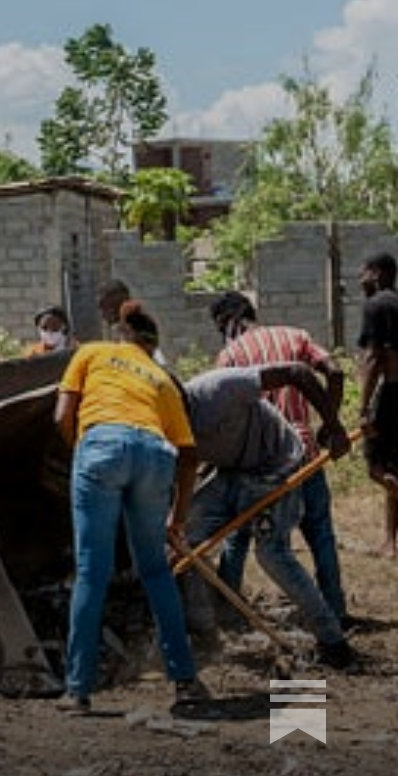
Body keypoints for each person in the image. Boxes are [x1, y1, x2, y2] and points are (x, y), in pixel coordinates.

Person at [53, 300, 206, 715]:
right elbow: (189, 454)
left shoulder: (91, 352)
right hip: (156, 456)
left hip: (102, 448)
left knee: (92, 571)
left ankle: (78, 689)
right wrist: (180, 515)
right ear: (152, 346)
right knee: (155, 570)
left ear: (122, 334)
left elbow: (61, 415)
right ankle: (186, 682)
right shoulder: (161, 378)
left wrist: (82, 451)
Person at [181, 363, 356, 668]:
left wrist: (334, 426)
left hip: (276, 467)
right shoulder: (160, 424)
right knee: (184, 538)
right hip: (231, 473)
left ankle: (333, 641)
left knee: (272, 554)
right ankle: (204, 631)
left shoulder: (217, 389)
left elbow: (297, 372)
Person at [210, 290, 354, 628]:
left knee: (243, 534)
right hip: (306, 454)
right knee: (320, 533)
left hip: (263, 464)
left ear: (227, 322)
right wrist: (330, 426)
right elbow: (334, 372)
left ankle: (229, 612)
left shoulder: (230, 356)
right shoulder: (296, 336)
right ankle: (335, 608)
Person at [357, 251, 398, 558]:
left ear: (379, 273)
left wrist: (363, 408)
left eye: (365, 273)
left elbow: (373, 359)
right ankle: (390, 542)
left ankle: (389, 541)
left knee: (376, 466)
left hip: (393, 394)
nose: (361, 279)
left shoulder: (376, 305)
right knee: (395, 469)